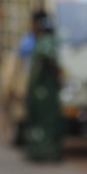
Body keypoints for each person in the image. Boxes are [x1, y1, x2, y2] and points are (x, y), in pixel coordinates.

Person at [23, 10, 63, 162]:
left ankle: (47, 151)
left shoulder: (45, 41)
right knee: (39, 122)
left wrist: (57, 81)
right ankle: (39, 151)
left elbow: (49, 61)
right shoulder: (40, 40)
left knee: (46, 122)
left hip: (45, 91)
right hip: (40, 90)